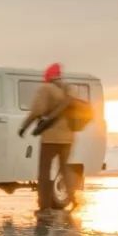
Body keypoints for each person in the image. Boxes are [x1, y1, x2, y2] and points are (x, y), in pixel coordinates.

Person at [19, 63, 75, 212]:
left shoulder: (46, 89)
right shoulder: (67, 90)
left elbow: (37, 110)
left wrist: (24, 127)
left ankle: (44, 205)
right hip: (68, 138)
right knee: (64, 168)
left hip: (50, 138)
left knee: (44, 170)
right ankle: (74, 198)